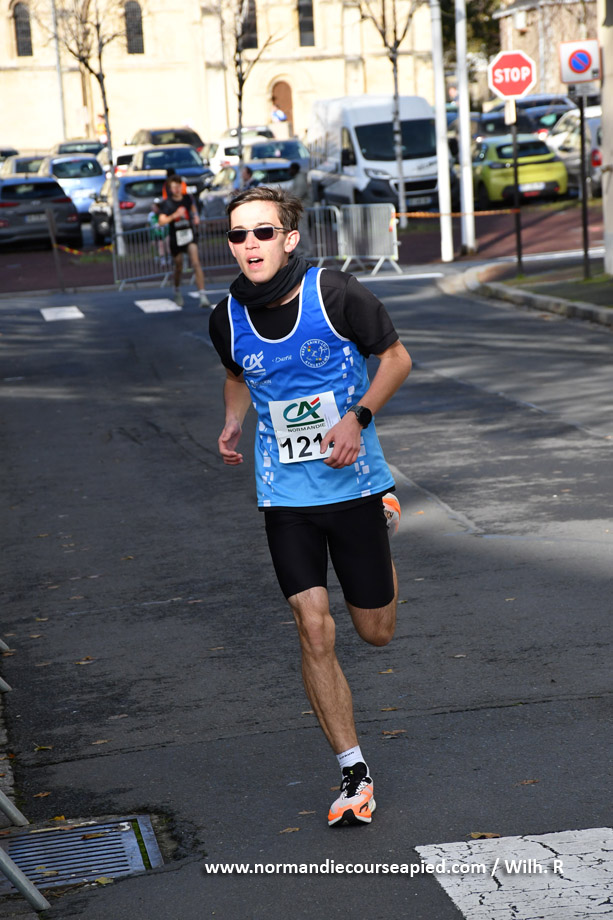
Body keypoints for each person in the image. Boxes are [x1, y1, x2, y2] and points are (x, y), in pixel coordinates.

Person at [209, 186, 412, 827]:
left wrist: (358, 416)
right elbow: (238, 375)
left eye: (262, 232)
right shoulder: (226, 317)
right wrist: (233, 421)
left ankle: (383, 517)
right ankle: (353, 770)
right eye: (238, 235)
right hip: (286, 495)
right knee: (313, 625)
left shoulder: (337, 294)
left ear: (289, 239)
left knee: (375, 632)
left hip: (353, 484)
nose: (249, 245)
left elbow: (396, 358)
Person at [158, 176, 211, 308]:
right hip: (176, 237)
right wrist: (174, 215)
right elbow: (161, 221)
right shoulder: (167, 203)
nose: (176, 189)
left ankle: (202, 295)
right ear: (170, 189)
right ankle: (177, 290)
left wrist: (196, 216)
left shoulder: (187, 198)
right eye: (173, 187)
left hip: (189, 234)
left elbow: (193, 208)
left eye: (178, 186)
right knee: (179, 266)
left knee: (196, 262)